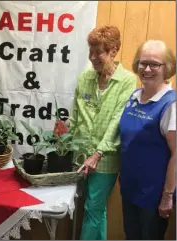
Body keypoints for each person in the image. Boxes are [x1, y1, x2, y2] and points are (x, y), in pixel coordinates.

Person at [70, 25, 137, 240]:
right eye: (90, 51)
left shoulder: (126, 81)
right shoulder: (85, 78)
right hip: (80, 155)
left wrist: (97, 154)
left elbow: (117, 121)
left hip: (105, 160)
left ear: (113, 51)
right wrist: (65, 140)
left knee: (92, 209)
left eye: (98, 51)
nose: (92, 57)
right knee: (97, 210)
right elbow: (75, 115)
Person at [119, 40, 176, 240]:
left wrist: (167, 197)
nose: (147, 69)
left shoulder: (170, 104)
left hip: (154, 196)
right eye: (143, 63)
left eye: (154, 64)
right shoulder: (134, 96)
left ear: (167, 67)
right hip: (130, 189)